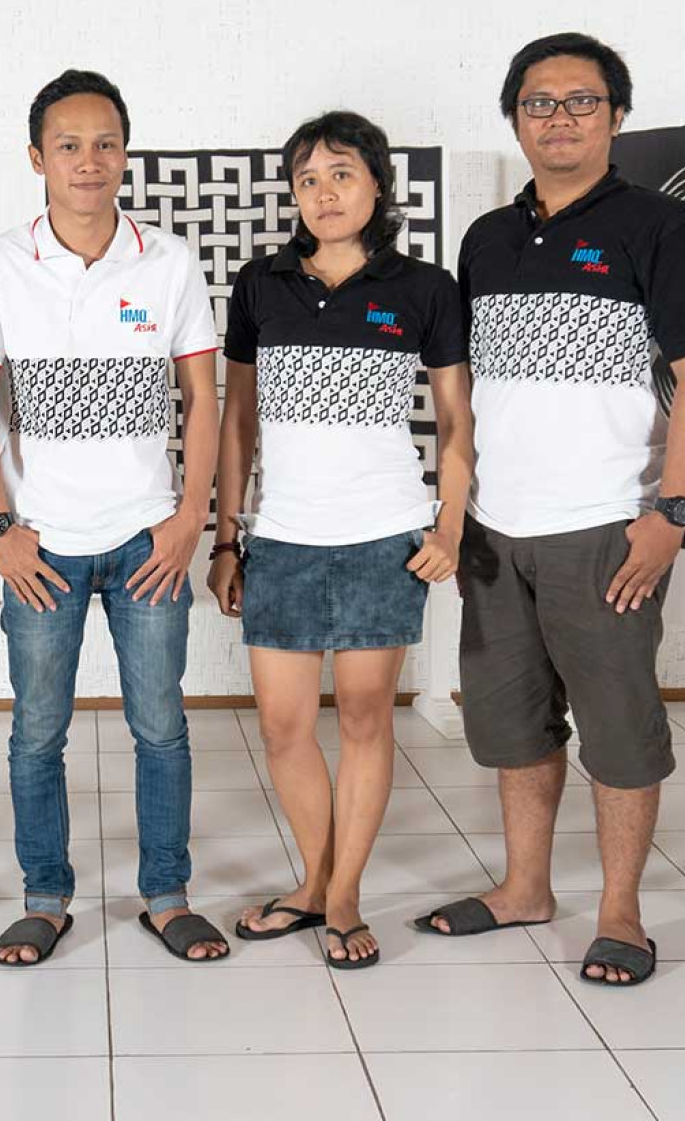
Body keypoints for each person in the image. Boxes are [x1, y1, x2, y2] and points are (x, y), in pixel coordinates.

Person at [412, 33, 685, 987]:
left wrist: (672, 511)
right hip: (497, 529)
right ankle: (525, 887)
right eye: (539, 103)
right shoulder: (487, 238)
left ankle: (622, 910)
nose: (559, 118)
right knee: (512, 723)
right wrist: (458, 512)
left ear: (616, 115)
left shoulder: (660, 227)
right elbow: (470, 391)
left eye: (581, 100)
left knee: (619, 727)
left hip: (605, 526)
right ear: (515, 118)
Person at [0, 69, 230, 966]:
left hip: (149, 537)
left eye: (105, 143)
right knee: (37, 731)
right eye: (68, 145)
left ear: (125, 154)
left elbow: (203, 397)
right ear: (37, 158)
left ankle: (167, 894)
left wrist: (190, 518)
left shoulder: (168, 260)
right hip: (41, 544)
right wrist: (1, 528)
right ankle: (45, 896)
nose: (88, 160)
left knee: (162, 727)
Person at [212, 111, 473, 970]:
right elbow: (238, 422)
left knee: (364, 718)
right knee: (284, 726)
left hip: (382, 538)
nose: (324, 193)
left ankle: (344, 894)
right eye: (309, 179)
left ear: (377, 185)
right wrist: (226, 539)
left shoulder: (424, 288)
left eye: (343, 175)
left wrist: (449, 523)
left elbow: (456, 420)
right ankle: (313, 883)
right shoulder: (260, 285)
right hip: (283, 538)